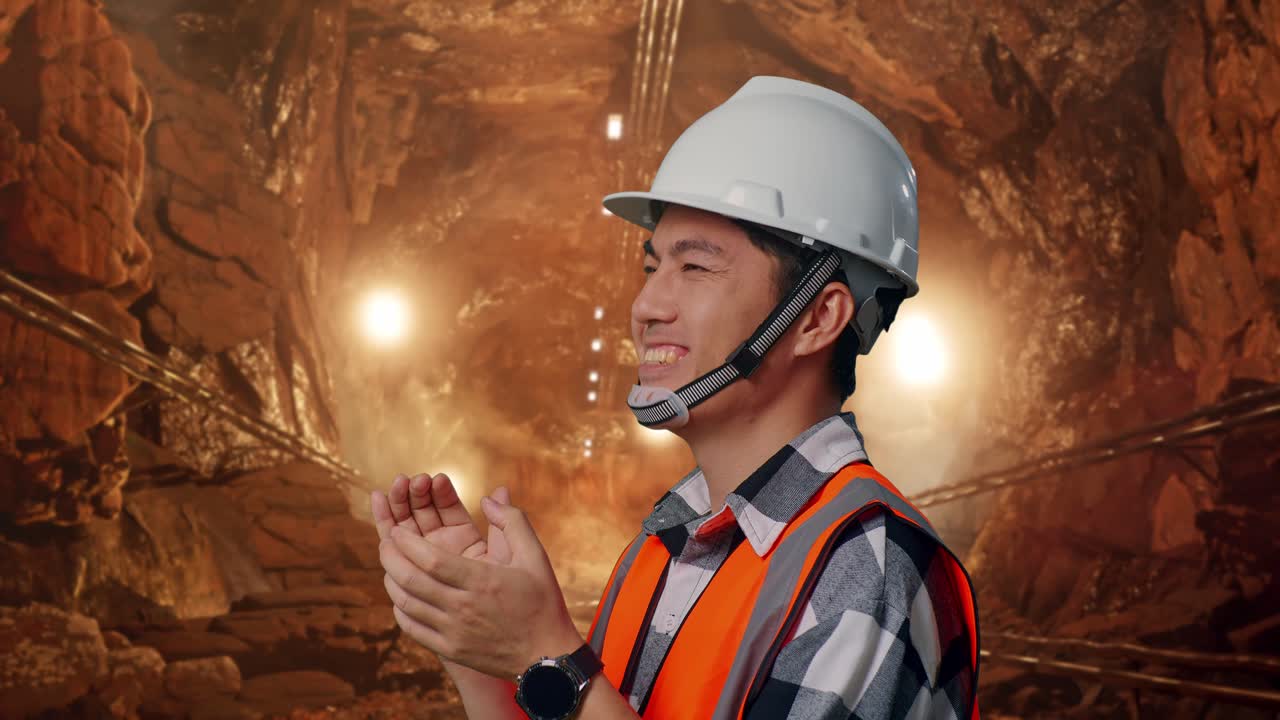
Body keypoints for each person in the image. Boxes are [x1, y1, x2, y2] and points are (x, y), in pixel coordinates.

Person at [370, 75, 980, 719]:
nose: (646, 306)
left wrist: (543, 651)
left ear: (817, 319)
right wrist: (481, 657)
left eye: (695, 267)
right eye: (651, 266)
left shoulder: (868, 564)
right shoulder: (668, 541)